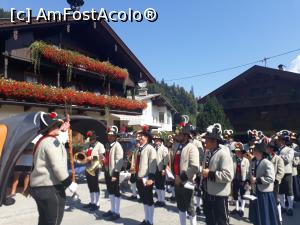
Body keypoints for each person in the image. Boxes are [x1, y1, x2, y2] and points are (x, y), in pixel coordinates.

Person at [30, 112, 78, 225]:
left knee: (44, 221)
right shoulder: (52, 142)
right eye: (56, 125)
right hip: (50, 188)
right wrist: (69, 183)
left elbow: (57, 142)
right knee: (53, 222)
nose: (58, 126)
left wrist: (63, 131)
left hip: (39, 188)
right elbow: (58, 167)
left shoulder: (42, 141)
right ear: (50, 128)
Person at [202, 123, 233, 225]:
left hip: (219, 196)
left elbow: (228, 175)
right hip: (207, 193)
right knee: (210, 221)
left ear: (214, 141)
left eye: (207, 139)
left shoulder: (223, 154)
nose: (205, 141)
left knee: (221, 222)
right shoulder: (208, 152)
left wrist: (210, 174)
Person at [248, 142, 279, 225]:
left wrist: (257, 180)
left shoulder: (267, 163)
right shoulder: (254, 162)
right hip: (256, 191)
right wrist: (249, 181)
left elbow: (271, 178)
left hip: (265, 193)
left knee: (265, 215)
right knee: (258, 214)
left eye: (255, 150)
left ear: (260, 152)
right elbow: (250, 174)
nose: (253, 152)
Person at [174, 124, 199, 225]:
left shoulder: (192, 147)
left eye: (180, 134)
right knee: (180, 206)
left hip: (186, 181)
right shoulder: (178, 146)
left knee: (190, 208)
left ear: (186, 136)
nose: (177, 136)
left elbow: (194, 167)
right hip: (177, 180)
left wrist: (181, 177)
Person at [135, 128, 157, 225]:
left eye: (142, 136)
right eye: (140, 136)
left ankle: (150, 221)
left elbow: (153, 164)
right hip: (139, 177)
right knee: (144, 199)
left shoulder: (150, 148)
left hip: (146, 178)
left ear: (147, 138)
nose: (140, 137)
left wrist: (151, 178)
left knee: (149, 200)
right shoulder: (140, 148)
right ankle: (146, 219)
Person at [102, 126, 124, 221]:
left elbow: (119, 161)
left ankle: (117, 212)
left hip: (114, 173)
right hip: (107, 171)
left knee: (116, 192)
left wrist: (115, 174)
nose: (110, 137)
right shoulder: (108, 145)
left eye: (112, 135)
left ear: (115, 136)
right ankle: (112, 210)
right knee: (110, 191)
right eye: (109, 135)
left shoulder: (117, 146)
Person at [83, 130, 105, 211]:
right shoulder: (87, 144)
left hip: (95, 167)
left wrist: (92, 157)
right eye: (90, 138)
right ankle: (92, 202)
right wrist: (83, 155)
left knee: (95, 185)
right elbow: (84, 153)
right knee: (90, 185)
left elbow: (102, 157)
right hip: (88, 166)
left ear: (95, 138)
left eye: (92, 138)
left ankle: (97, 203)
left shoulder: (100, 145)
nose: (90, 140)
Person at [275, 130, 294, 216]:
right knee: (281, 191)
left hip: (287, 172)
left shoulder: (290, 149)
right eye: (279, 140)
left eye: (280, 140)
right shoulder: (276, 150)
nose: (278, 141)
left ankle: (290, 207)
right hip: (279, 173)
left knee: (289, 191)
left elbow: (288, 159)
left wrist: (280, 156)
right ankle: (283, 207)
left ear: (283, 141)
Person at [267, 140, 285, 224]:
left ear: (273, 149)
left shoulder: (278, 158)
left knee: (275, 201)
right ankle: (270, 217)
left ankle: (280, 218)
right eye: (268, 148)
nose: (268, 149)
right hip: (266, 183)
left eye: (270, 148)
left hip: (275, 183)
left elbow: (281, 172)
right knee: (268, 201)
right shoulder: (266, 157)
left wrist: (276, 180)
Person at [230, 142, 250, 217]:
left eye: (239, 152)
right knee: (235, 193)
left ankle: (242, 209)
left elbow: (248, 171)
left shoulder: (246, 160)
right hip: (235, 178)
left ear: (242, 152)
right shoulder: (232, 159)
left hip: (243, 179)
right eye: (236, 152)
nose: (237, 153)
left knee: (243, 194)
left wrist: (247, 181)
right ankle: (237, 208)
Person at [152, 131, 169, 207]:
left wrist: (164, 169)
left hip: (161, 169)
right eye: (155, 140)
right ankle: (159, 200)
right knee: (157, 185)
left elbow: (166, 160)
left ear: (161, 141)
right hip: (155, 168)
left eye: (158, 140)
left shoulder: (164, 148)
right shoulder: (154, 148)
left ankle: (163, 200)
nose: (156, 141)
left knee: (162, 185)